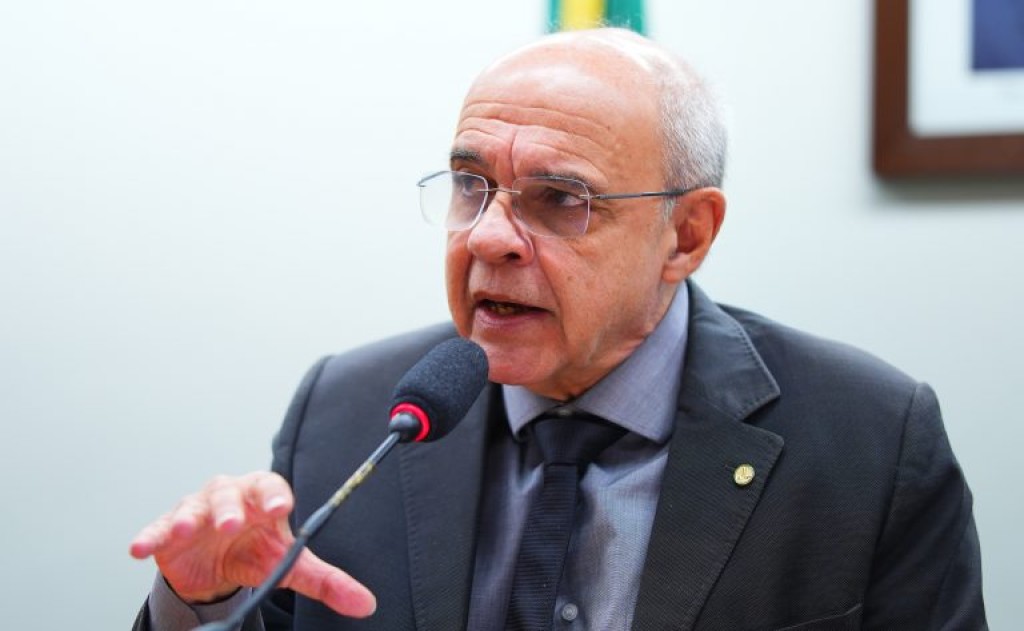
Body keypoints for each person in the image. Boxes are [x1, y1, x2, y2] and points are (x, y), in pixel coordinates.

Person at [129, 27, 986, 630]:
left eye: (559, 199)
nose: (489, 237)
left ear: (687, 235)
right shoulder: (345, 414)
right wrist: (198, 604)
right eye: (470, 185)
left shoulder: (870, 442)